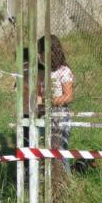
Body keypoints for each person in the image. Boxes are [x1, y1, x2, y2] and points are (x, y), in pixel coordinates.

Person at [37, 35, 75, 170]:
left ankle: (65, 182)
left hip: (60, 115)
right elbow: (40, 94)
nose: (38, 55)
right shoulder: (44, 72)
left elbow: (68, 96)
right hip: (45, 115)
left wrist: (51, 102)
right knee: (46, 149)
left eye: (40, 51)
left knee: (60, 150)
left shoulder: (64, 71)